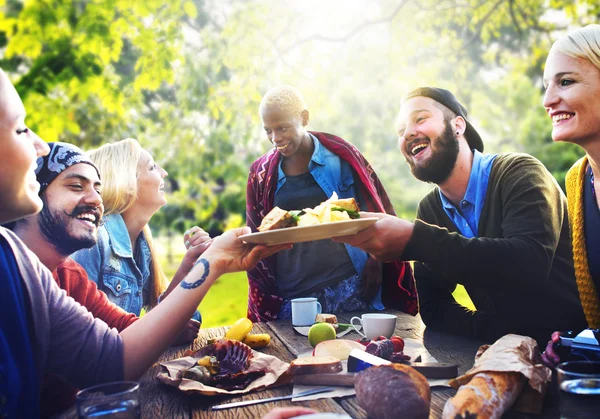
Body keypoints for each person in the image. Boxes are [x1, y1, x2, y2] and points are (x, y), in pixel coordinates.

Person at [0, 67, 288, 417]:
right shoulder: (60, 255)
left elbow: (118, 355)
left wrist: (210, 263)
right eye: (20, 128)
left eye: (97, 188)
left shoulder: (32, 268)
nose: (38, 144)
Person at [335, 86, 587, 345]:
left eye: (420, 119)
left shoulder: (520, 172)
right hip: (508, 356)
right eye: (400, 131)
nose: (408, 133)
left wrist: (417, 240)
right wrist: (501, 334)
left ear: (458, 125)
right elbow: (434, 308)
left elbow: (529, 263)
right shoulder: (431, 209)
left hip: (577, 355)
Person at [8, 142, 205, 416]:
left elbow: (125, 335)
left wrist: (203, 266)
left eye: (97, 189)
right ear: (33, 193)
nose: (96, 199)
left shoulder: (68, 275)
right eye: (76, 186)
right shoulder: (12, 272)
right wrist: (210, 265)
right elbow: (110, 363)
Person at [246, 85, 417, 322]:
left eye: (282, 128)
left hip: (349, 283)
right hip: (293, 293)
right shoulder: (261, 174)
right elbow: (257, 233)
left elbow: (374, 209)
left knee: (357, 353)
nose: (276, 139)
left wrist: (375, 262)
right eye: (268, 131)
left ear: (304, 118)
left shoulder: (341, 156)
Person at [71, 138, 208, 321]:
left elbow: (163, 318)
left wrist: (190, 264)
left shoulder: (142, 244)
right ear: (127, 184)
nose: (164, 173)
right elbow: (79, 330)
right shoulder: (94, 240)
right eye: (152, 167)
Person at [539, 24, 600, 367]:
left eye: (566, 82)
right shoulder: (578, 178)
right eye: (546, 86)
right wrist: (580, 345)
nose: (548, 100)